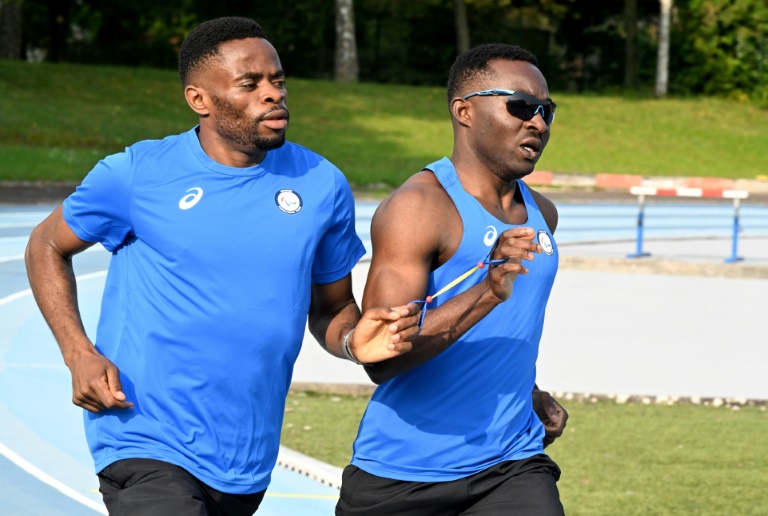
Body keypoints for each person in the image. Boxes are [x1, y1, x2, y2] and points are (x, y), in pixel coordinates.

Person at [24, 16, 419, 515]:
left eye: (277, 80)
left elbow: (333, 307)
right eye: (250, 84)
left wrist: (352, 340)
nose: (273, 94)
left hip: (245, 455)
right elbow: (44, 245)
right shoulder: (138, 173)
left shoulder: (322, 183)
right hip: (143, 434)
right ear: (200, 100)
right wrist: (77, 351)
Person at [336, 43, 569, 515]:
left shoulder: (542, 213)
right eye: (521, 106)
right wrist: (486, 290)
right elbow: (381, 358)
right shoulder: (417, 208)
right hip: (403, 474)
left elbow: (505, 333)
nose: (539, 123)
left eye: (547, 110)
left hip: (512, 463)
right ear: (464, 110)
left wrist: (528, 394)